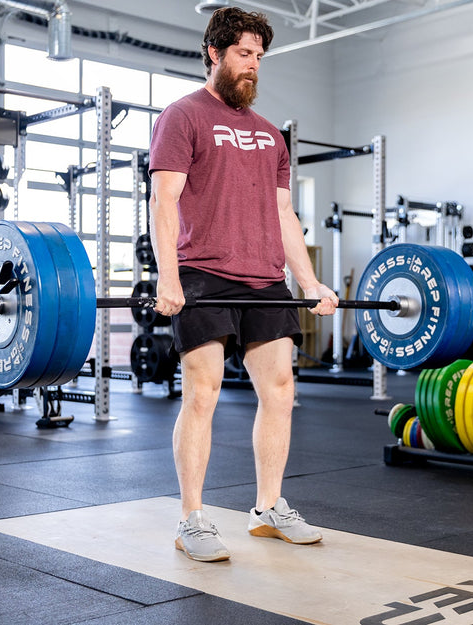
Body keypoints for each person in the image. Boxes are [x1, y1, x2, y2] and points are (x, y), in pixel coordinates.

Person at [148, 7, 338, 563]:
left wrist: (309, 282)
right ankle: (192, 518)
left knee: (281, 392)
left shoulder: (270, 135)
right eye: (243, 54)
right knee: (202, 393)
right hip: (203, 273)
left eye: (259, 57)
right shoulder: (183, 116)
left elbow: (284, 214)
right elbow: (163, 199)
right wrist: (168, 276)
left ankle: (268, 507)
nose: (253, 66)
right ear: (215, 52)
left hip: (263, 278)